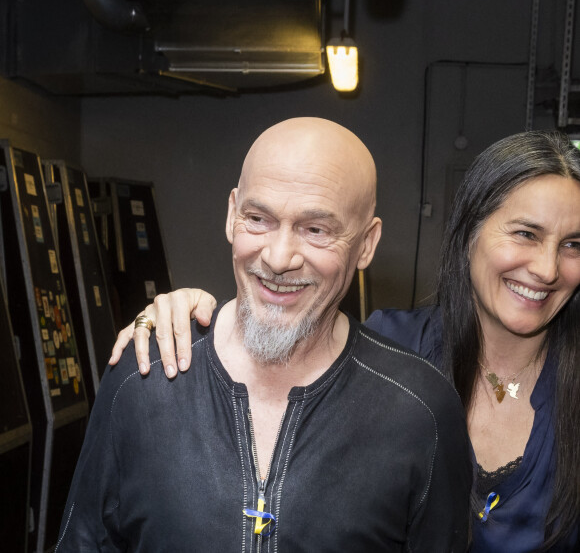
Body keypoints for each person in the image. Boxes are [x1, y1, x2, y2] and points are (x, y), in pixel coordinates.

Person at [112, 130, 580, 552]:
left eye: (574, 244)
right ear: (469, 234)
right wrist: (191, 318)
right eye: (525, 233)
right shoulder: (389, 350)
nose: (546, 268)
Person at [58, 118, 471, 552]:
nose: (278, 258)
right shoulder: (143, 376)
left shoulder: (421, 411)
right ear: (232, 214)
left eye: (316, 230)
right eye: (258, 219)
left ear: (366, 243)